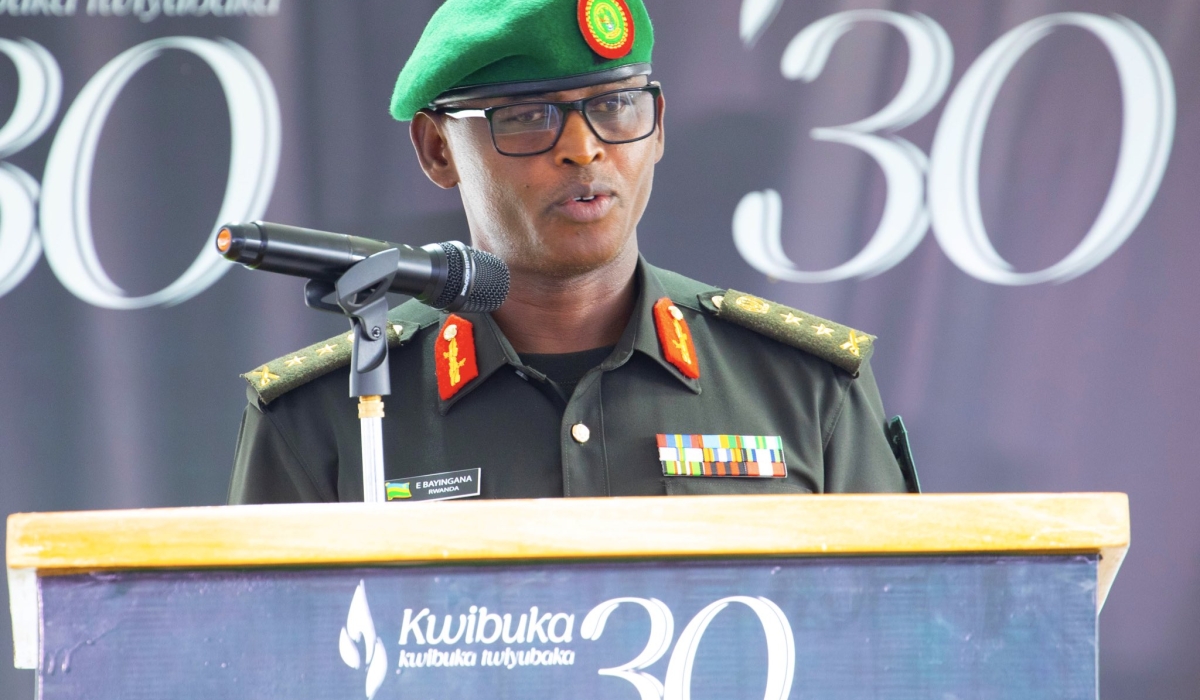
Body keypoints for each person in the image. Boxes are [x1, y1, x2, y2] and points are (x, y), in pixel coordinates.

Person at [228, 0, 916, 504]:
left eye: (616, 106)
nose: (584, 148)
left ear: (657, 128)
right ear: (439, 149)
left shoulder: (804, 388)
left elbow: (884, 641)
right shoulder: (324, 415)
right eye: (528, 117)